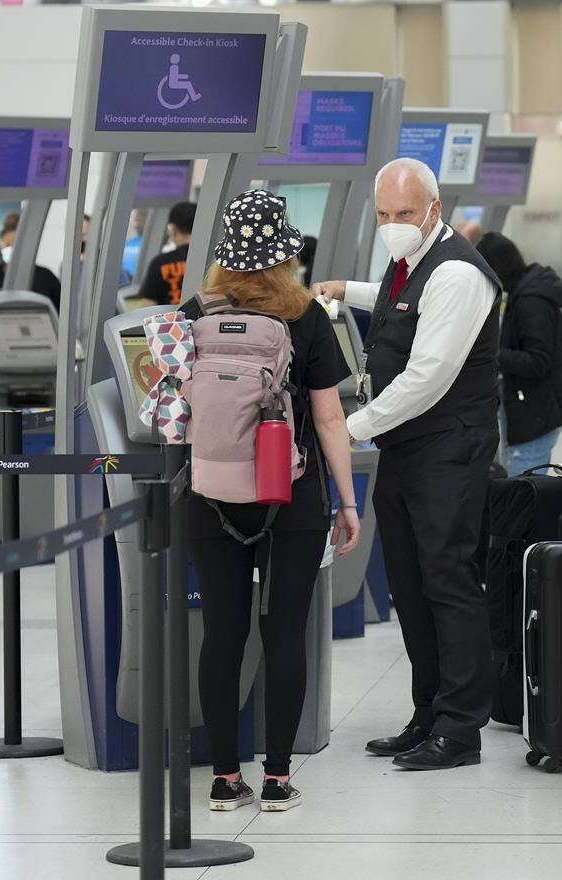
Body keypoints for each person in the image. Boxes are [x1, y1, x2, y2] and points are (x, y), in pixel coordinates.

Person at [312, 158, 501, 771]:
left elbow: (428, 376)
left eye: (405, 214)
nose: (395, 225)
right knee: (410, 585)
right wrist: (346, 288)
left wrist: (348, 430)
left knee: (448, 580)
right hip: (407, 449)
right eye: (385, 215)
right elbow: (397, 302)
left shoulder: (459, 276)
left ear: (434, 211)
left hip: (449, 447)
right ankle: (428, 711)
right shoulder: (410, 264)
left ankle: (461, 728)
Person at [185, 190, 360, 813]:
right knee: (285, 632)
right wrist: (346, 501)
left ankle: (224, 777)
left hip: (208, 496)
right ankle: (280, 778)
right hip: (291, 494)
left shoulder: (194, 311)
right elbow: (330, 415)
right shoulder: (308, 315)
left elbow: (174, 410)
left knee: (222, 636)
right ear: (285, 252)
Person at [475, 231, 562, 474]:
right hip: (532, 406)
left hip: (537, 409)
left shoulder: (530, 301)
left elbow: (538, 360)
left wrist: (491, 355)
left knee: (524, 486)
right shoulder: (521, 293)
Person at [137, 201, 196, 307]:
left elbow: (148, 306)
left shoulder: (160, 263)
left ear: (173, 229)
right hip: (203, 322)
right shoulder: (209, 262)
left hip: (170, 322)